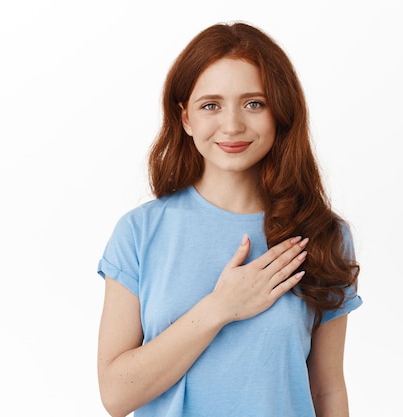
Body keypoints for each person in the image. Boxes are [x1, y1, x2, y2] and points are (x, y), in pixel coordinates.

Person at [96, 21, 362, 417]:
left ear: (280, 113)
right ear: (185, 118)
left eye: (254, 103)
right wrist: (222, 306)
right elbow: (116, 396)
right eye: (211, 105)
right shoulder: (139, 233)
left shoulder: (322, 234)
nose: (233, 125)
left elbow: (327, 391)